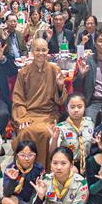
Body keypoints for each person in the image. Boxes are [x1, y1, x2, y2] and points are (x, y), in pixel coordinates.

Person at [11, 38, 68, 167]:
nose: (41, 53)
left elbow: (61, 101)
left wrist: (60, 86)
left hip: (48, 114)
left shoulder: (55, 69)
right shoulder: (24, 72)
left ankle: (45, 169)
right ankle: (24, 169)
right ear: (32, 51)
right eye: (37, 50)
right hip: (29, 114)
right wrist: (22, 117)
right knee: (24, 132)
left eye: (43, 50)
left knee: (47, 133)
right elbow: (18, 98)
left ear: (48, 51)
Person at [50, 94, 95, 175]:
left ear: (85, 107)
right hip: (69, 164)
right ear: (67, 109)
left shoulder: (90, 123)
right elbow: (53, 151)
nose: (76, 110)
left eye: (79, 107)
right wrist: (54, 138)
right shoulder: (61, 128)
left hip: (87, 162)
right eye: (72, 107)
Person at [1, 140, 44, 204]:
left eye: (30, 155)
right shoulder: (11, 168)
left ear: (36, 156)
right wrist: (12, 180)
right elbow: (7, 193)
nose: (26, 159)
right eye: (22, 155)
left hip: (32, 200)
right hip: (17, 200)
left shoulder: (39, 169)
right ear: (17, 155)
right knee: (6, 201)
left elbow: (39, 192)